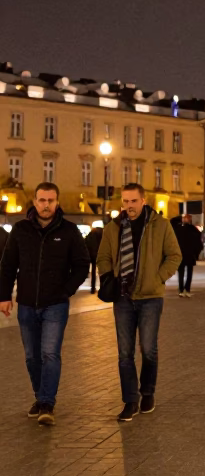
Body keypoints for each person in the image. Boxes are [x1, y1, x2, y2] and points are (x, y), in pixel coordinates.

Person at [0, 182, 90, 426]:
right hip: (27, 302)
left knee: (50, 353)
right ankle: (40, 398)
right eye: (42, 200)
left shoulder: (69, 231)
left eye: (50, 200)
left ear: (57, 202)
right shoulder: (20, 229)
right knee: (31, 357)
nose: (46, 205)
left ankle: (47, 403)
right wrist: (4, 295)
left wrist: (66, 290)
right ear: (35, 201)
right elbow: (8, 265)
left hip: (55, 305)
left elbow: (82, 265)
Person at [97, 182, 181, 423]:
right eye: (125, 201)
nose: (129, 206)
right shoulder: (113, 228)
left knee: (148, 349)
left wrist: (158, 277)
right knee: (125, 353)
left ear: (143, 201)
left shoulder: (160, 225)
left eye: (133, 201)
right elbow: (103, 256)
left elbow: (175, 255)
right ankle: (130, 401)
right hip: (122, 297)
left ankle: (148, 392)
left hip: (150, 297)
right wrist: (107, 276)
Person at [175, 214, 203, 297]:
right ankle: (187, 290)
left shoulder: (178, 229)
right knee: (189, 273)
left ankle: (181, 290)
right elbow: (199, 244)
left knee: (181, 272)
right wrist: (196, 254)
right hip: (190, 255)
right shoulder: (194, 230)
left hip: (181, 254)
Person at [84, 223, 104, 293]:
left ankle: (93, 288)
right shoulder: (103, 233)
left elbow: (85, 244)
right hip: (101, 255)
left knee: (93, 271)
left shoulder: (90, 234)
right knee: (102, 272)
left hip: (92, 256)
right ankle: (102, 287)